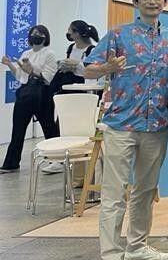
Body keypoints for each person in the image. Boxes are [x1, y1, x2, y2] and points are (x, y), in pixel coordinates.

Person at [83, 0, 168, 260]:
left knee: (144, 190)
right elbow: (88, 68)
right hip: (121, 124)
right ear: (136, 2)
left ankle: (137, 245)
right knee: (114, 193)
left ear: (164, 2)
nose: (152, 2)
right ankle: (112, 256)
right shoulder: (118, 35)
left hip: (156, 125)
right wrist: (107, 68)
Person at [1, 26, 60, 173]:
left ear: (45, 37)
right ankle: (11, 163)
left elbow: (48, 78)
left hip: (42, 95)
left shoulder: (49, 54)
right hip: (25, 94)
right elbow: (20, 76)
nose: (36, 36)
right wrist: (10, 64)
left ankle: (57, 159)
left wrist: (32, 71)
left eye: (39, 34)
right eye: (33, 34)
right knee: (18, 129)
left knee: (48, 127)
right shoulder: (26, 53)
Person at [51, 20, 99, 95]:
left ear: (77, 33)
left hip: (82, 85)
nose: (68, 33)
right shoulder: (71, 48)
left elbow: (93, 71)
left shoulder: (92, 50)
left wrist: (76, 64)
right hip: (67, 83)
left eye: (69, 30)